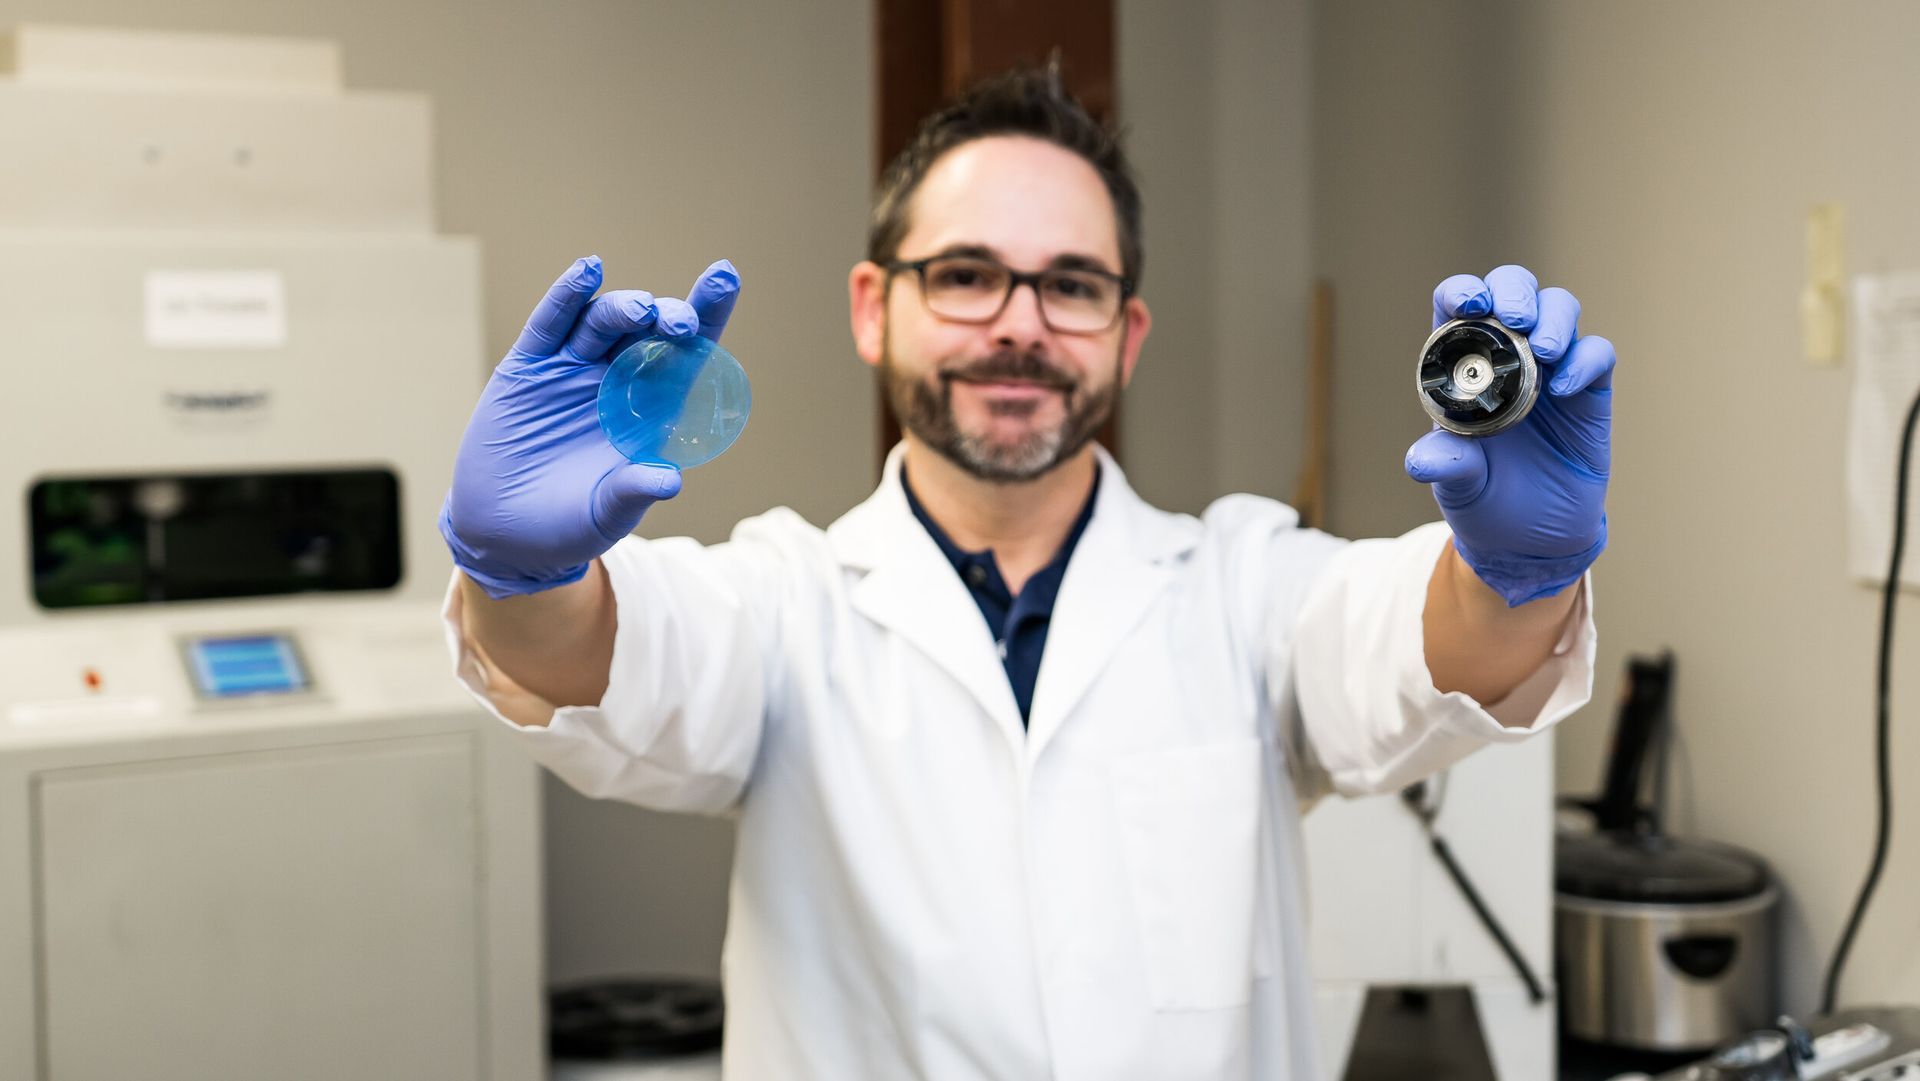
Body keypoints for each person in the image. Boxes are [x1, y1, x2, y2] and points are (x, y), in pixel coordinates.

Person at [439, 68, 1611, 1081]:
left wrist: (1511, 576)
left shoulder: (1244, 585)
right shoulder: (786, 599)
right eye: (964, 274)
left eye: (1072, 284)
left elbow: (1412, 651)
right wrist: (524, 578)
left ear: (1127, 333)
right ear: (873, 306)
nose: (1019, 325)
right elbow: (614, 657)